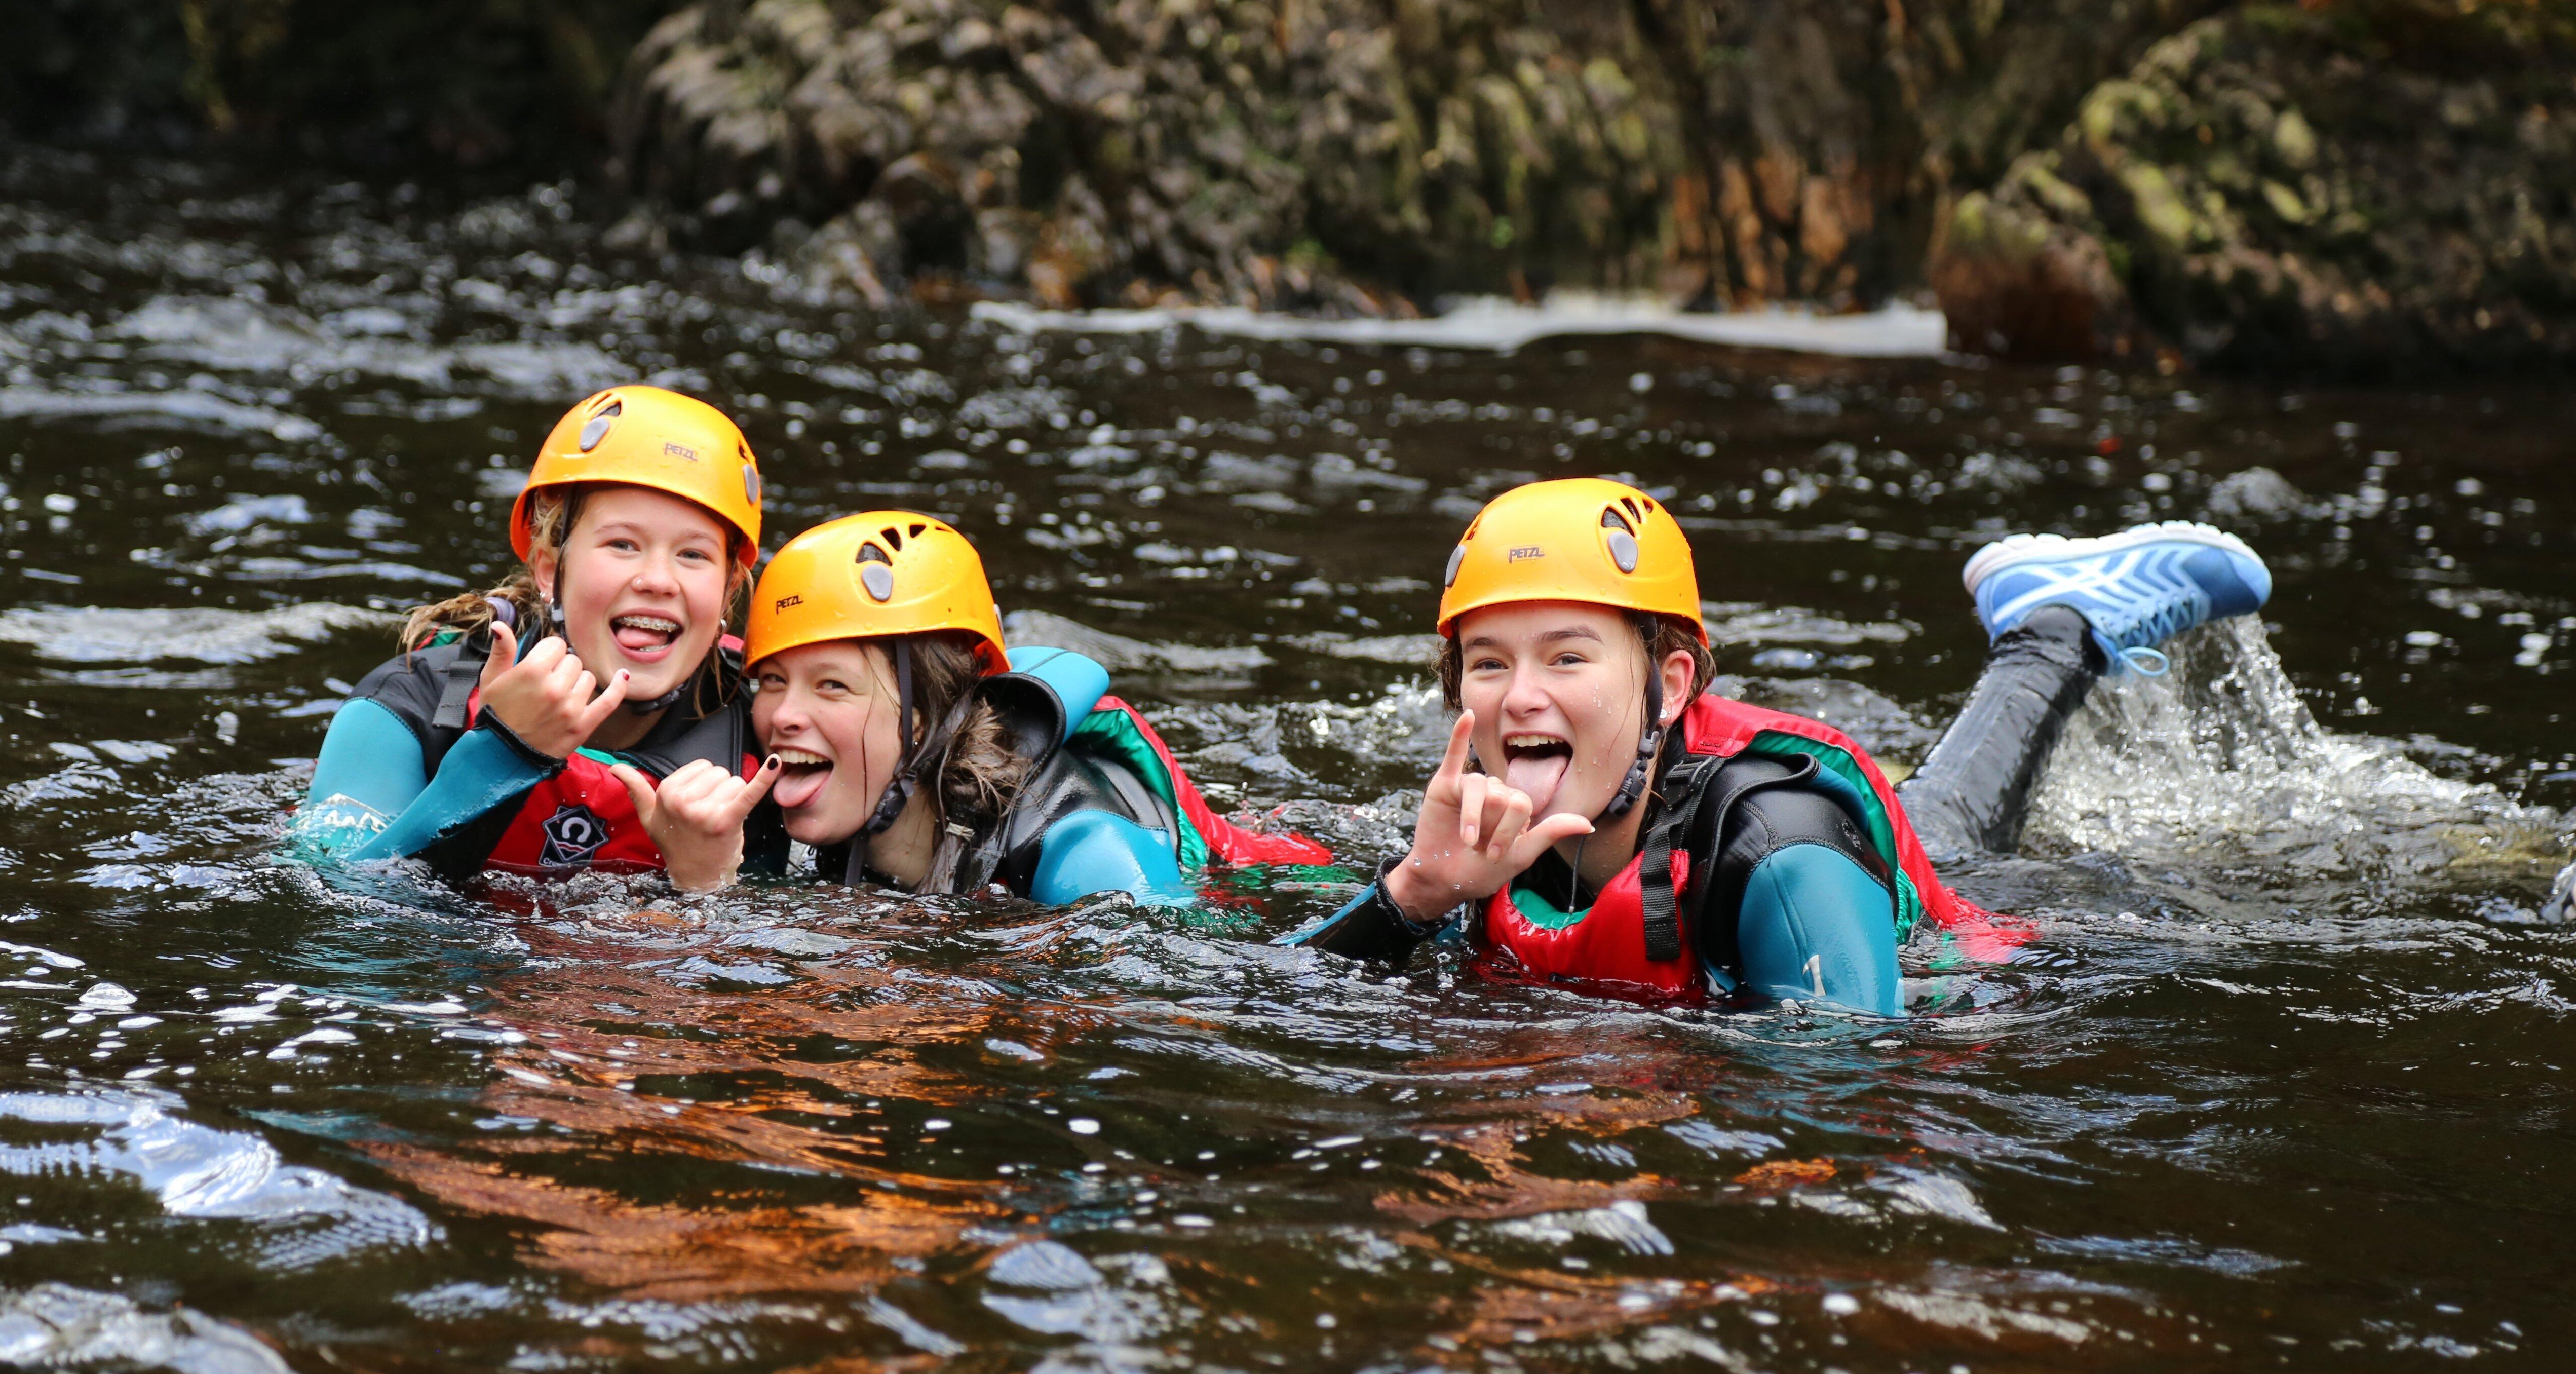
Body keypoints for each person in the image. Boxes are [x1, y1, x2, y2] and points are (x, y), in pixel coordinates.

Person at [1293, 478, 2274, 1016]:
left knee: (1954, 830)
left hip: (1924, 926)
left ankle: (2055, 626)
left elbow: (1838, 1097)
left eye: (1566, 656)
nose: (1520, 697)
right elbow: (1276, 994)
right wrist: (1415, 893)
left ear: (1670, 683)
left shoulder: (1782, 852)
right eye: (1489, 663)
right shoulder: (1470, 833)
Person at [293, 384, 787, 891]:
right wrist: (503, 755)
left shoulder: (768, 739)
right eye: (623, 544)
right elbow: (335, 905)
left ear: (727, 593)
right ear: (550, 570)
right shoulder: (407, 710)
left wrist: (704, 881)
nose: (659, 580)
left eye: (693, 555)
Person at [704, 509, 1331, 897]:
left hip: (1277, 887)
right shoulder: (803, 798)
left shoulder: (1088, 851)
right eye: (773, 680)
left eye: (832, 685)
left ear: (927, 717)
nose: (782, 715)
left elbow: (1183, 1010)